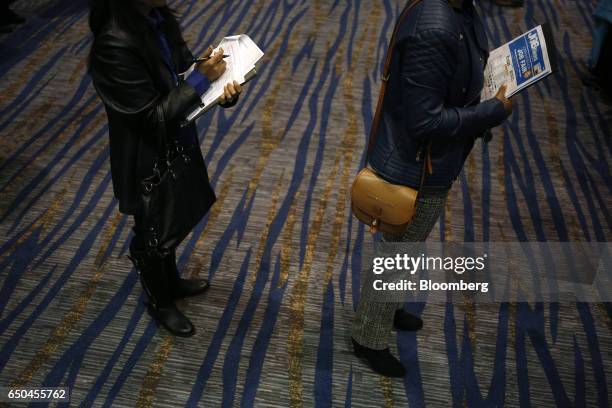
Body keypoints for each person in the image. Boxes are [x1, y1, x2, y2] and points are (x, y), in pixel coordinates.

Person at [351, 0, 513, 377]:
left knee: (407, 245)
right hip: (415, 167)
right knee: (395, 253)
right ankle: (368, 337)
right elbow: (425, 121)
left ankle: (386, 310)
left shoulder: (459, 10)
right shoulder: (435, 27)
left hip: (428, 161)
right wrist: (491, 112)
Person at [88, 0, 241, 337]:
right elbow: (150, 118)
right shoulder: (113, 44)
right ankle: (160, 301)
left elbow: (180, 73)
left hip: (174, 139)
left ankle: (170, 282)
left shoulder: (156, 17)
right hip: (143, 155)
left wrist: (220, 87)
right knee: (151, 228)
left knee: (171, 214)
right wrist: (202, 79)